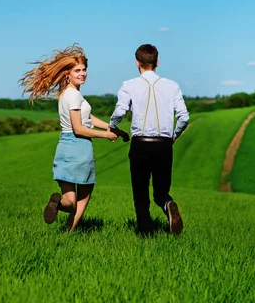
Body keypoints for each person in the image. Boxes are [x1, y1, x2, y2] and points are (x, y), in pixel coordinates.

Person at [18, 44, 118, 231]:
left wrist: (111, 127)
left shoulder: (66, 94)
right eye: (77, 71)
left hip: (64, 147)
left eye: (84, 69)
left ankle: (58, 205)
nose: (83, 73)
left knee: (69, 200)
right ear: (67, 74)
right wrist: (105, 135)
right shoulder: (74, 96)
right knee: (83, 196)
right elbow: (79, 128)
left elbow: (87, 118)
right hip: (79, 147)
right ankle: (68, 232)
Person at [109, 44, 189, 236]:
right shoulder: (172, 85)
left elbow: (120, 111)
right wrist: (175, 134)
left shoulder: (128, 85)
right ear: (157, 62)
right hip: (164, 144)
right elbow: (184, 117)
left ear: (137, 63)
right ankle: (167, 204)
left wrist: (113, 126)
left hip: (140, 144)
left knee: (140, 191)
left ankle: (146, 234)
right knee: (160, 192)